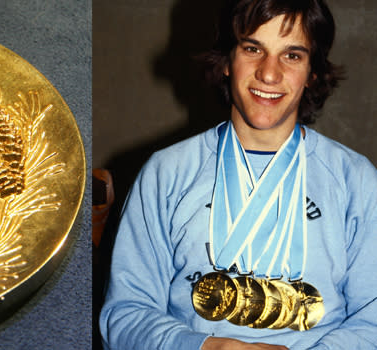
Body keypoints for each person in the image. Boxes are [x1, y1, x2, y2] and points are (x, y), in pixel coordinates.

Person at [99, 0, 377, 349]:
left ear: (314, 73)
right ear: (227, 61)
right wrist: (206, 347)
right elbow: (125, 315)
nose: (269, 73)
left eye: (292, 55)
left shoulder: (356, 181)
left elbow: (373, 324)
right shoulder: (165, 173)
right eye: (252, 48)